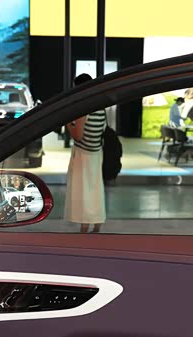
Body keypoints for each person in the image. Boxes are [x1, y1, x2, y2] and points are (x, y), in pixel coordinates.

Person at [65, 73, 106, 233]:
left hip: (83, 155)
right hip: (96, 153)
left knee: (83, 192)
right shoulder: (100, 105)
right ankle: (96, 224)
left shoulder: (85, 107)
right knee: (95, 190)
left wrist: (67, 122)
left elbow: (78, 135)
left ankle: (84, 225)